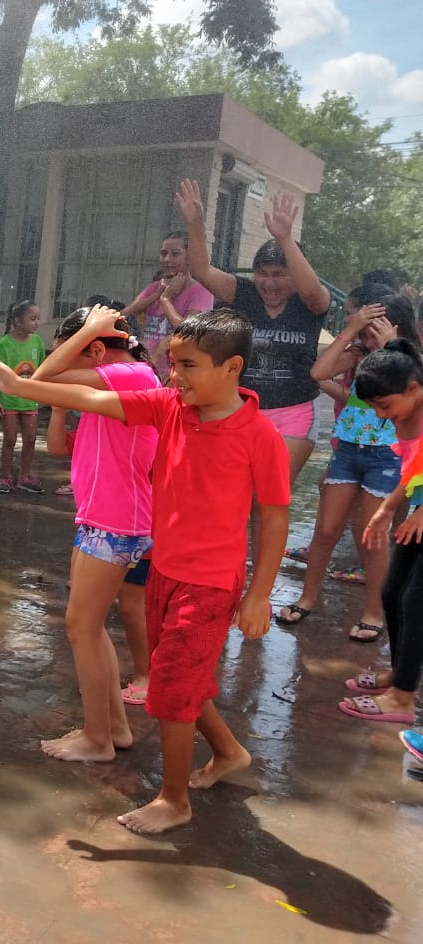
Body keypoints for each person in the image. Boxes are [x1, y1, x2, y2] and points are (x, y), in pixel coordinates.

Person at [0, 308, 290, 835]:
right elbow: (90, 399)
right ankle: (230, 752)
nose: (175, 375)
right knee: (184, 677)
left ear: (232, 367)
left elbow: (275, 515)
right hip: (165, 569)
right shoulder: (169, 407)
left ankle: (174, 800)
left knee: (168, 689)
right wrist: (18, 387)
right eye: (171, 362)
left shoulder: (259, 435)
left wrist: (260, 594)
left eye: (189, 365)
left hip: (210, 582)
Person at [32, 307, 159, 762]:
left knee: (80, 626)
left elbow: (45, 376)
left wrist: (88, 331)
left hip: (117, 520)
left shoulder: (129, 374)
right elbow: (56, 389)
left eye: (80, 350)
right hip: (104, 518)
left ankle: (96, 739)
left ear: (99, 348)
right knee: (89, 628)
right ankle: (113, 730)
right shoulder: (124, 377)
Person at [275, 288, 417, 640]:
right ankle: (307, 597)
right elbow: (318, 372)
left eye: (376, 329)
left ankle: (374, 612)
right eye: (366, 330)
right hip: (349, 451)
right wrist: (350, 331)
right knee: (325, 531)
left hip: (386, 456)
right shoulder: (357, 355)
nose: (369, 338)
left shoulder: (410, 360)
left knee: (371, 538)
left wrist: (390, 347)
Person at [175, 179, 330, 485]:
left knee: (270, 495)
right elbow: (202, 271)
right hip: (241, 408)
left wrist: (285, 240)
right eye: (262, 273)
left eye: (279, 274)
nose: (269, 283)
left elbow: (313, 291)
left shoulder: (309, 303)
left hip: (295, 412)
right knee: (232, 491)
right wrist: (196, 223)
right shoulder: (243, 293)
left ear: (294, 275)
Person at [340, 341, 423, 724]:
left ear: (413, 387)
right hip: (417, 514)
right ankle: (401, 676)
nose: (379, 415)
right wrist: (387, 510)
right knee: (392, 591)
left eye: (384, 405)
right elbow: (412, 469)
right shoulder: (406, 416)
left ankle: (403, 698)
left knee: (416, 601)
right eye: (373, 406)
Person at [120, 231, 215, 380]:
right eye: (163, 254)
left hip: (175, 376)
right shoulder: (155, 288)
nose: (167, 259)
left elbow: (187, 330)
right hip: (147, 368)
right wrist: (156, 296)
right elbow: (123, 316)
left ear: (190, 257)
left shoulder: (201, 292)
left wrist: (166, 300)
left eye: (175, 254)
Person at [0, 299, 47, 494]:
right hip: (9, 400)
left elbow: (41, 369)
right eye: (32, 318)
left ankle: (25, 476)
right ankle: (6, 477)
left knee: (31, 439)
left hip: (29, 399)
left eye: (38, 319)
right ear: (18, 321)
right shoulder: (4, 344)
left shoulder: (38, 342)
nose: (37, 323)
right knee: (10, 439)